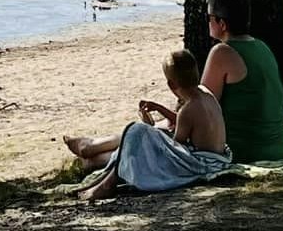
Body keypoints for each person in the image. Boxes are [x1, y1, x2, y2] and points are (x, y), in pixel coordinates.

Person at [71, 49, 231, 201]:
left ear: (171, 84)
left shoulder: (188, 110)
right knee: (143, 133)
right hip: (219, 159)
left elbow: (176, 146)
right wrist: (160, 109)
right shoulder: (205, 93)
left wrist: (149, 128)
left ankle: (108, 183)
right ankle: (106, 173)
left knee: (136, 130)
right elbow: (191, 123)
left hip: (203, 164)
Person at [201, 0, 283, 163]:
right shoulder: (262, 47)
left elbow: (204, 107)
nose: (208, 22)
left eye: (209, 18)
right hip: (278, 145)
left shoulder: (222, 52)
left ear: (222, 23)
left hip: (243, 148)